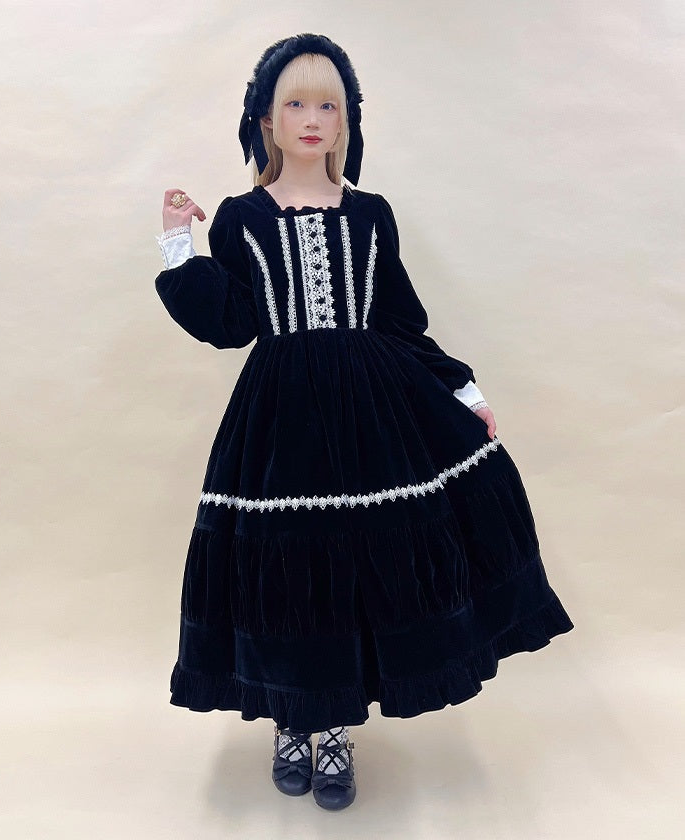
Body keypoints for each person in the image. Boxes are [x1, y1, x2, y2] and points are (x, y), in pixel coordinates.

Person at [154, 33, 574, 812]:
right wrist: (179, 241)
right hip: (280, 418)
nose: (313, 118)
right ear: (267, 120)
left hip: (371, 414)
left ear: (346, 121)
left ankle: (336, 730)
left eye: (329, 105)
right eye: (296, 104)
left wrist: (463, 392)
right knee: (290, 568)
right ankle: (293, 720)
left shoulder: (372, 216)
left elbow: (402, 322)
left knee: (356, 563)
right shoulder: (241, 219)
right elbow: (230, 322)